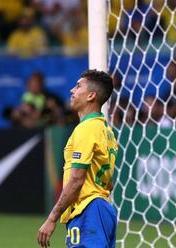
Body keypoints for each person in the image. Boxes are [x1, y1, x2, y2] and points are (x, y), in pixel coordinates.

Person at [37, 69, 118, 247]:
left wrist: (52, 218)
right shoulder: (107, 131)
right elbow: (109, 183)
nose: (72, 90)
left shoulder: (86, 129)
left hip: (89, 210)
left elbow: (76, 179)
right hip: (104, 210)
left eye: (78, 86)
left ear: (91, 95)